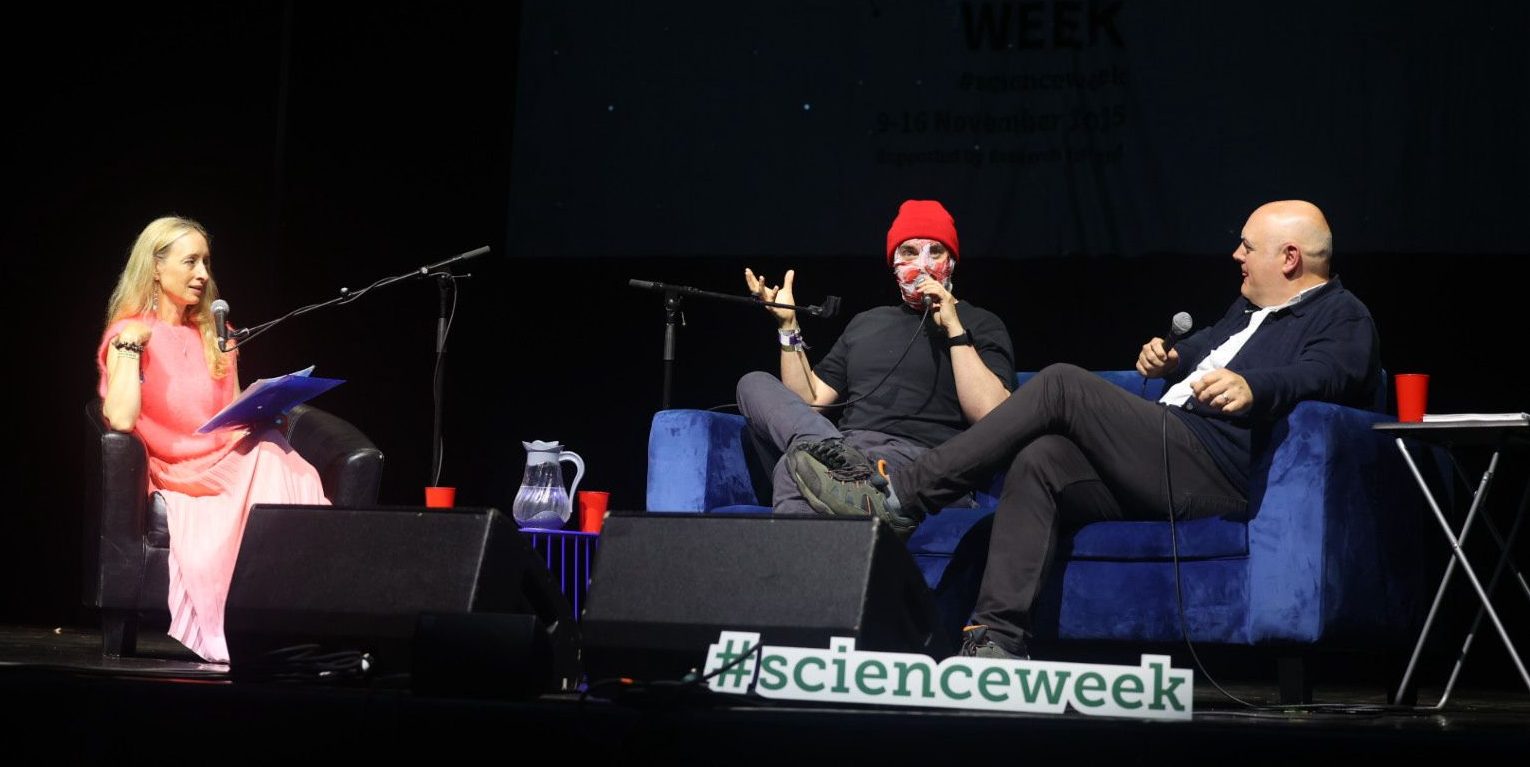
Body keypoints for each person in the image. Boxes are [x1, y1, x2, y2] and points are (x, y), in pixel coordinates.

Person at [787, 200, 1381, 659]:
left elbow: (1339, 374)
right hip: (1165, 449)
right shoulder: (1248, 312)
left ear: (1290, 258)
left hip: (1210, 466)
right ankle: (996, 637)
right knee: (1043, 457)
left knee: (1061, 382)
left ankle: (901, 495)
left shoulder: (1341, 315)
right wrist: (1170, 360)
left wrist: (1259, 387)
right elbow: (1205, 350)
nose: (1236, 256)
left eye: (1248, 247)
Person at [98, 215, 330, 664]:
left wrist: (265, 407)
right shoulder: (129, 334)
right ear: (156, 268)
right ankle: (255, 622)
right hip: (182, 469)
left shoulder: (216, 335)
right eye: (190, 261)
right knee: (274, 462)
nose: (203, 273)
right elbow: (122, 419)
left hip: (227, 454)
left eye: (206, 261)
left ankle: (294, 613)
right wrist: (128, 345)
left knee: (290, 463)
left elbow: (229, 412)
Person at [736, 199, 1016, 517]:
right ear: (893, 261)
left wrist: (954, 327)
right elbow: (809, 401)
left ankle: (823, 461)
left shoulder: (980, 322)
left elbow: (993, 416)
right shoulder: (866, 323)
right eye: (909, 251)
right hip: (849, 448)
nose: (922, 263)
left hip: (921, 464)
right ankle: (828, 454)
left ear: (951, 259)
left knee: (792, 467)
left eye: (934, 251)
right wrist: (788, 327)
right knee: (752, 384)